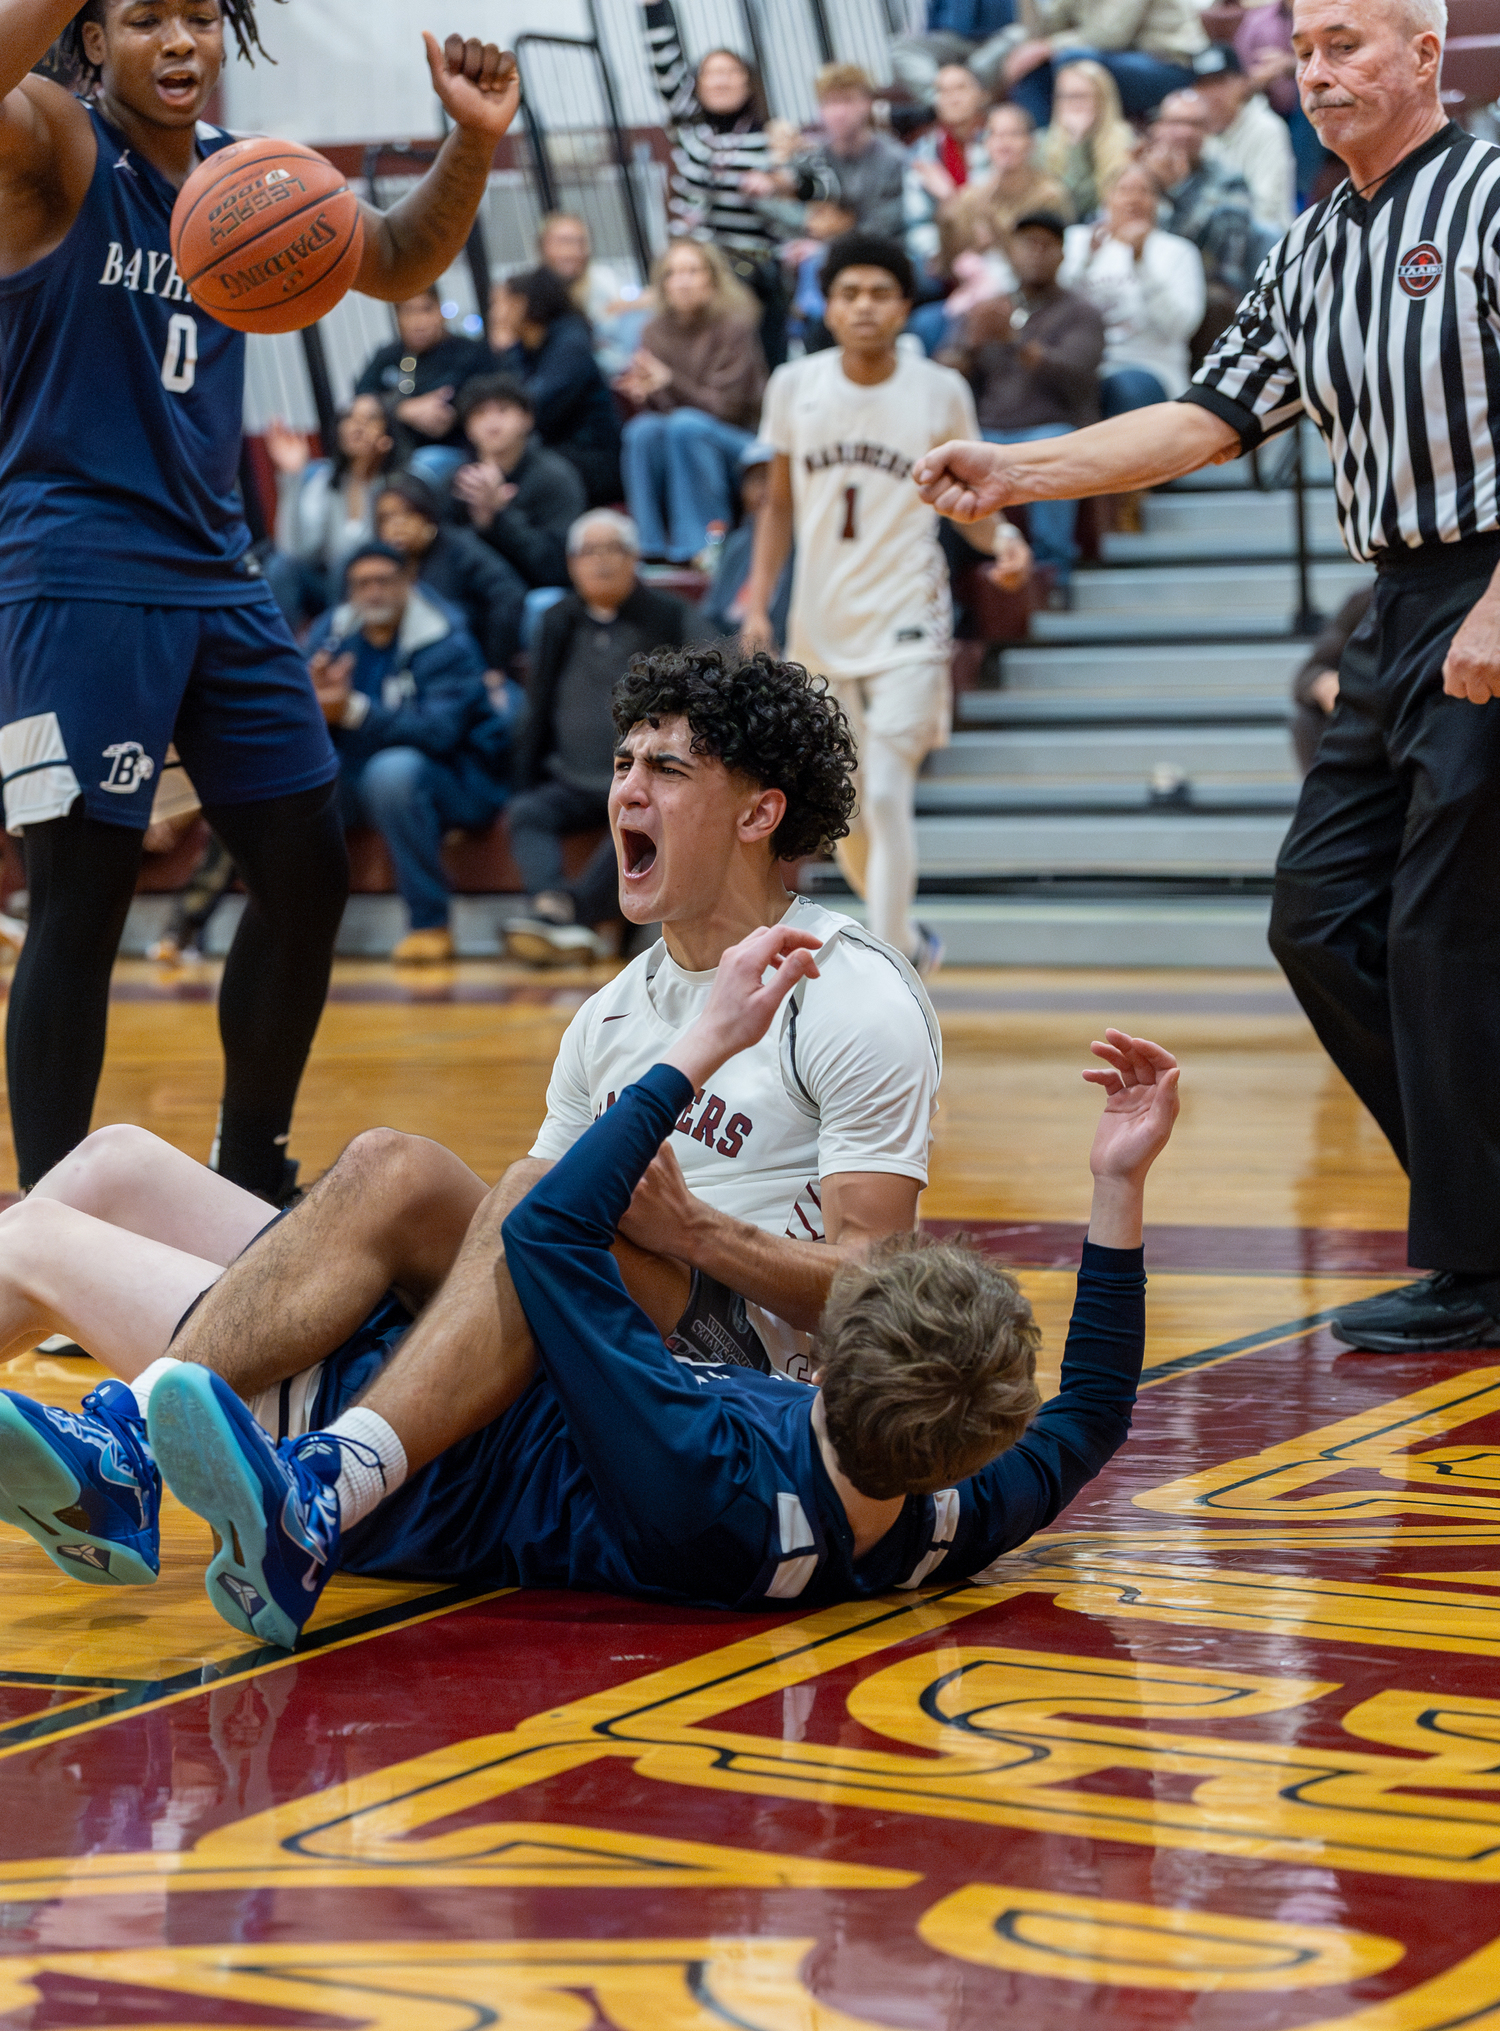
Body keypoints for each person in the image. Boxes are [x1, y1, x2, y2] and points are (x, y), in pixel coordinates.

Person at [0, 647, 963, 1619]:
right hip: (589, 1316)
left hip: (726, 1392)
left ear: (761, 814)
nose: (629, 789)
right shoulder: (613, 1014)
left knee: (399, 1168)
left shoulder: (851, 992)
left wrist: (701, 1234)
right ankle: (136, 1442)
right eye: (624, 764)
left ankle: (129, 1438)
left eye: (668, 770)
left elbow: (881, 1286)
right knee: (109, 1163)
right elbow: (523, 1243)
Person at [913, 0, 1500, 1354]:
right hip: (1398, 603)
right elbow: (1205, 417)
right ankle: (1486, 1218)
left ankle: (1476, 1253)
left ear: (1426, 55)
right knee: (1317, 911)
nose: (1315, 70)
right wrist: (1017, 465)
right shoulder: (1307, 244)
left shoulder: (1484, 192)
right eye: (1300, 50)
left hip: (1489, 583)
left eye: (1346, 42)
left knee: (1439, 932)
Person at [0, 0, 519, 1203]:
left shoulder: (252, 180)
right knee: (84, 892)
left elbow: (391, 257)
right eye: (143, 19)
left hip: (218, 566)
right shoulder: (52, 145)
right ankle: (57, 1227)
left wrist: (474, 142)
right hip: (75, 562)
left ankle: (249, 1172)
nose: (180, 41)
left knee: (307, 868)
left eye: (198, 17)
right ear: (88, 41)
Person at [741, 232, 1022, 974]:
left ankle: (889, 964)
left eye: (880, 293)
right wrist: (756, 596)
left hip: (910, 611)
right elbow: (776, 502)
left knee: (890, 791)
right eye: (849, 293)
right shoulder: (792, 385)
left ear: (905, 306)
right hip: (820, 617)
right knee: (847, 809)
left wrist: (1003, 544)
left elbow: (974, 495)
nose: (864, 307)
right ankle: (912, 939)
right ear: (827, 307)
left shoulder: (939, 389)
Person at [306, 544, 515, 967]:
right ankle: (295, 926)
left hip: (457, 779)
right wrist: (311, 703)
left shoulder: (444, 639)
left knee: (392, 772)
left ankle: (429, 924)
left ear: (408, 584)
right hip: (358, 776)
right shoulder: (333, 635)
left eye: (384, 580)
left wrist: (351, 711)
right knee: (292, 779)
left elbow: (438, 734)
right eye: (362, 583)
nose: (373, 592)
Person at [504, 511, 689, 966]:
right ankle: (550, 905)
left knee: (640, 819)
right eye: (590, 552)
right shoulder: (557, 620)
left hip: (641, 779)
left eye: (613, 550)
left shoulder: (670, 616)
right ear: (571, 565)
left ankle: (571, 919)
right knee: (527, 812)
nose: (601, 562)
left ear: (634, 560)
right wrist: (523, 777)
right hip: (569, 777)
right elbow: (538, 702)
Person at [944, 210, 1104, 599]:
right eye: (1026, 243)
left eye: (1045, 244)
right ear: (1011, 252)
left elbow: (1078, 372)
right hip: (988, 427)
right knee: (947, 455)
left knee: (1054, 451)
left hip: (1051, 423)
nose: (1035, 252)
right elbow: (944, 371)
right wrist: (971, 342)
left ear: (1062, 255)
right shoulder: (987, 308)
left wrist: (1014, 339)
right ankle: (957, 584)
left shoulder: (1081, 311)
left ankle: (1053, 578)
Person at [640, 1, 789, 367]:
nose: (720, 80)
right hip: (689, 256)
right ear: (698, 84)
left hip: (748, 260)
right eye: (710, 74)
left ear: (748, 81)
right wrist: (654, 9)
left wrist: (780, 182)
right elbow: (665, 68)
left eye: (730, 72)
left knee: (733, 290)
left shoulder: (774, 137)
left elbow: (823, 186)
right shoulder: (689, 131)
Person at [616, 240, 767, 566]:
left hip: (739, 440)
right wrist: (644, 393)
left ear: (712, 279)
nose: (682, 281)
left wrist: (669, 382)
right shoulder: (653, 331)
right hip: (681, 435)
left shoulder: (733, 327)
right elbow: (660, 414)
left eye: (692, 271)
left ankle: (703, 546)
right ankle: (648, 549)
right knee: (641, 431)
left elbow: (726, 409)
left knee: (687, 425)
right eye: (673, 273)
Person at [449, 374, 585, 651]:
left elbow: (558, 568)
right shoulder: (457, 483)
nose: (492, 422)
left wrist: (499, 517)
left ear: (527, 419)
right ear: (468, 428)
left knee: (544, 605)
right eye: (479, 414)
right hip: (481, 593)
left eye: (502, 410)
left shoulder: (556, 477)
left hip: (536, 590)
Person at [1061, 162, 1206, 413]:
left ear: (1158, 203)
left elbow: (1180, 328)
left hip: (1150, 367)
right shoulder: (1077, 242)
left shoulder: (1178, 252)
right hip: (1080, 365)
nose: (1134, 199)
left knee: (1123, 389)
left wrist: (1141, 264)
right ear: (1107, 198)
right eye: (1124, 189)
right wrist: (1086, 262)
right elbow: (1053, 312)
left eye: (1144, 191)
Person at [488, 267, 622, 507]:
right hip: (555, 453)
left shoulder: (570, 341)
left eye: (498, 303)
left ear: (520, 304)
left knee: (514, 466)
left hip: (592, 459)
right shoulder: (528, 347)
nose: (494, 314)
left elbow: (533, 409)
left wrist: (508, 352)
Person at [261, 395, 395, 630]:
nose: (358, 425)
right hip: (326, 586)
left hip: (377, 584)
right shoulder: (322, 478)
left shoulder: (394, 485)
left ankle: (341, 641)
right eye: (350, 418)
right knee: (280, 565)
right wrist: (294, 477)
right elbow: (294, 550)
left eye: (370, 418)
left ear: (387, 434)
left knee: (349, 562)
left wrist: (369, 470)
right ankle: (282, 655)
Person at [373, 473, 522, 673]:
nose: (396, 526)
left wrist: (495, 667)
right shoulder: (376, 564)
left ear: (428, 515)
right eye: (386, 518)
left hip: (465, 665)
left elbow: (508, 595)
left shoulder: (459, 549)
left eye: (406, 513)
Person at [354, 287, 490, 492]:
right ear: (397, 317)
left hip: (457, 452)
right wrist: (404, 410)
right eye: (408, 312)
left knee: (422, 468)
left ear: (440, 311)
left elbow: (462, 407)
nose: (418, 321)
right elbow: (362, 401)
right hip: (393, 452)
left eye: (426, 310)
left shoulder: (469, 352)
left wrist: (448, 412)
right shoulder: (387, 355)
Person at [1002, 0, 1207, 126]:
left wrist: (1047, 45)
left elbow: (1111, 35)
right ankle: (1043, 149)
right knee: (1032, 72)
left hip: (1166, 65)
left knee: (1073, 60)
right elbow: (1046, 27)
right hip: (1119, 58)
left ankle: (1082, 143)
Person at [768, 64, 909, 242]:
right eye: (830, 103)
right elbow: (773, 197)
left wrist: (825, 247)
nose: (838, 113)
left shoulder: (892, 158)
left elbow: (883, 226)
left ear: (867, 103)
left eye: (847, 101)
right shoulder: (813, 155)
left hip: (878, 252)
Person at [1145, 91, 1258, 299]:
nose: (1185, 132)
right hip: (1144, 287)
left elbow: (1210, 254)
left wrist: (1177, 189)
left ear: (1208, 130)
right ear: (1158, 127)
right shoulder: (1141, 175)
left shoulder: (1231, 183)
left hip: (1209, 295)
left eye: (1195, 124)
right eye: (1176, 122)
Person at [1190, 44, 1297, 232]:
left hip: (1266, 244)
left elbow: (1266, 208)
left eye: (1221, 82)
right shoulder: (1195, 132)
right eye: (1204, 84)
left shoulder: (1267, 128)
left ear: (1242, 83)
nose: (1212, 92)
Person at [698, 442, 793, 645]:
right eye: (757, 479)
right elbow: (711, 613)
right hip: (732, 654)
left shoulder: (807, 545)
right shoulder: (736, 543)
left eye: (773, 478)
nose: (765, 489)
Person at [904, 63, 992, 275]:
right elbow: (917, 223)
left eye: (961, 88)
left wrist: (949, 195)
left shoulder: (998, 141)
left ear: (980, 95)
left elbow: (992, 217)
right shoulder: (922, 153)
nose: (952, 98)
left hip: (994, 249)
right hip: (944, 257)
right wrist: (939, 254)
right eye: (942, 91)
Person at [1037, 58, 1138, 222]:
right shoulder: (1041, 142)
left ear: (1102, 99)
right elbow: (1061, 208)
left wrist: (1078, 145)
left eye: (1080, 96)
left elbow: (1089, 207)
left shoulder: (1124, 139)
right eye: (1064, 96)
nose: (1072, 104)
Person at [1290, 585, 1372, 775]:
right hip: (1367, 721)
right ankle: (1322, 801)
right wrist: (1326, 684)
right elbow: (1306, 676)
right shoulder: (1367, 601)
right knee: (1306, 718)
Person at [890, 0, 1024, 105]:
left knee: (1019, 34)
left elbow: (1009, 20)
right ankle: (941, 98)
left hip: (991, 42)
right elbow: (933, 27)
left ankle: (967, 92)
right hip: (952, 41)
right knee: (899, 47)